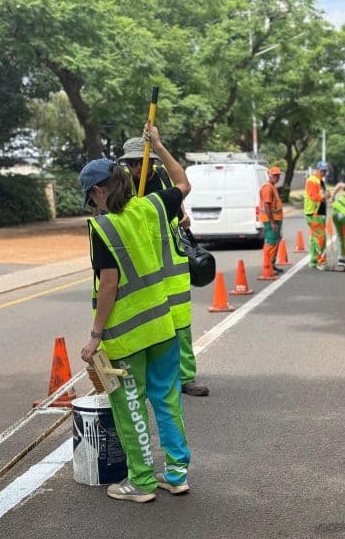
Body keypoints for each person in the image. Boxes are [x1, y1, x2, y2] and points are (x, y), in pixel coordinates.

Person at [79, 122, 191, 503]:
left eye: (90, 198)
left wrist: (95, 337)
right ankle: (176, 474)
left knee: (130, 407)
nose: (92, 205)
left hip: (126, 335)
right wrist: (159, 146)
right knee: (167, 399)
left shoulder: (103, 228)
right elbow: (184, 183)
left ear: (98, 191)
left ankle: (141, 483)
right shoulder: (153, 206)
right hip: (162, 325)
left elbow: (108, 285)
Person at [118, 137, 208, 398]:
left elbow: (181, 188)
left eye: (142, 161)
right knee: (146, 326)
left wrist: (183, 216)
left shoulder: (162, 178)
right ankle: (149, 380)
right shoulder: (121, 185)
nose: (138, 167)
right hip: (142, 267)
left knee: (180, 324)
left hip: (171, 266)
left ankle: (185, 377)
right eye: (133, 163)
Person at [304, 161, 331, 270]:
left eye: (325, 171)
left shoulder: (320, 181)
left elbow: (320, 195)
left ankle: (314, 261)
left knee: (315, 238)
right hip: (315, 213)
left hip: (318, 213)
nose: (324, 172)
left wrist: (326, 196)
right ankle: (321, 262)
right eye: (322, 170)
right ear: (317, 169)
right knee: (321, 238)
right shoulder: (312, 181)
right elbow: (313, 196)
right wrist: (325, 197)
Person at [259, 166, 285, 274]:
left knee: (275, 242)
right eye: (274, 175)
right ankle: (268, 267)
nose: (277, 177)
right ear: (269, 175)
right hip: (270, 220)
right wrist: (272, 222)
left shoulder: (272, 186)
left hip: (275, 219)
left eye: (278, 175)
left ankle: (271, 265)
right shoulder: (267, 187)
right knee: (270, 243)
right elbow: (267, 205)